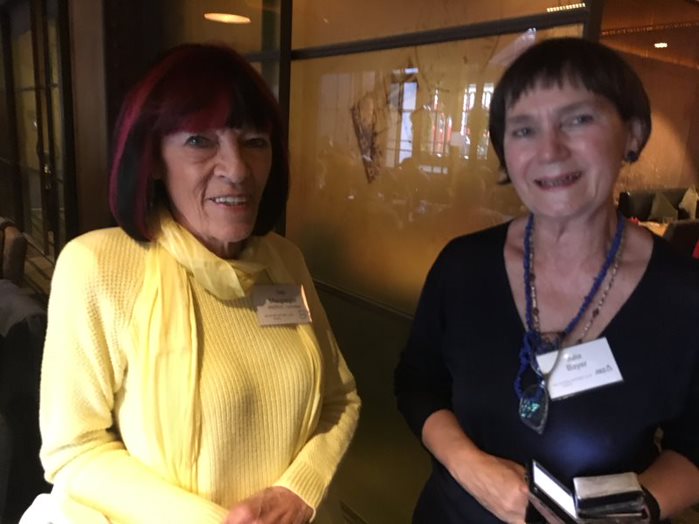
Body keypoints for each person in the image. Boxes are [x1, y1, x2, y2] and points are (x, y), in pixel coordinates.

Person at [24, 43, 360, 524]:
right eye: (201, 141)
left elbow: (340, 397)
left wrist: (299, 491)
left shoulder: (285, 261)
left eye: (255, 142)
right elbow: (73, 450)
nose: (237, 169)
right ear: (154, 159)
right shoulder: (97, 266)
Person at [394, 37, 699, 523]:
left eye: (578, 120)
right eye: (524, 130)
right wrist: (469, 466)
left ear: (633, 133)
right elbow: (417, 384)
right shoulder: (463, 266)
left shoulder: (683, 294)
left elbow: (694, 446)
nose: (550, 150)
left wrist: (629, 512)